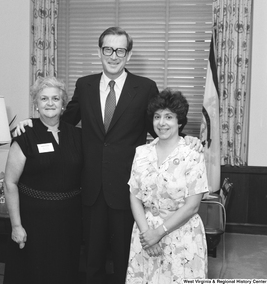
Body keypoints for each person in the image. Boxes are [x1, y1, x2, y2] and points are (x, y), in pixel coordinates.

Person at [15, 27, 202, 284]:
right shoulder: (85, 84)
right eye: (108, 50)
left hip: (128, 192)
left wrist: (186, 139)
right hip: (90, 190)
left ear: (128, 54)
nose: (114, 56)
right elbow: (63, 121)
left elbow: (160, 127)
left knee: (127, 261)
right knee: (92, 261)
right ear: (100, 51)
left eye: (120, 50)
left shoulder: (145, 87)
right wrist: (31, 123)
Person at [3, 76, 83, 284]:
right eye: (43, 98)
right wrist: (16, 226)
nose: (50, 103)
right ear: (36, 104)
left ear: (63, 104)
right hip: (33, 222)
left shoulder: (78, 135)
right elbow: (10, 182)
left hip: (68, 222)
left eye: (55, 99)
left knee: (63, 272)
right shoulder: (25, 135)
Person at [125, 88, 208, 283]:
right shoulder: (142, 153)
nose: (162, 123)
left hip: (181, 236)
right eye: (157, 117)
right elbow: (134, 196)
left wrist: (158, 233)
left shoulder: (192, 154)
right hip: (145, 235)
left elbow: (192, 206)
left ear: (179, 121)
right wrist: (147, 234)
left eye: (169, 117)